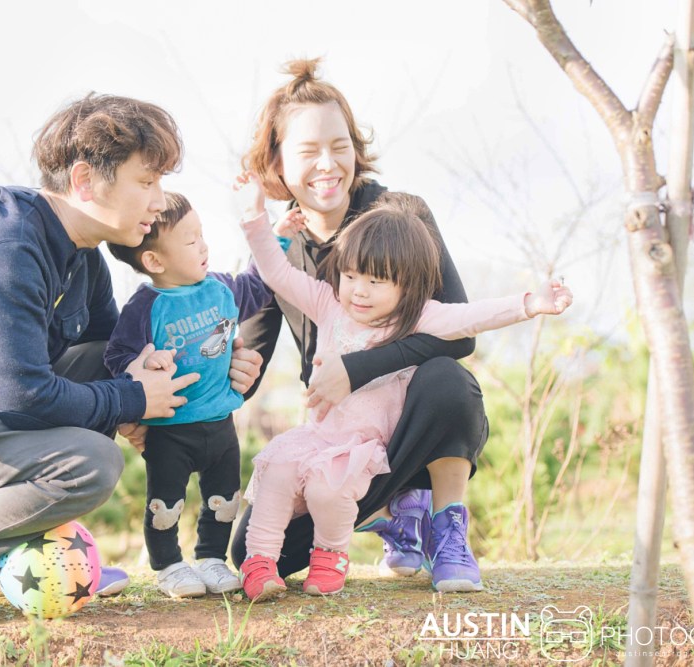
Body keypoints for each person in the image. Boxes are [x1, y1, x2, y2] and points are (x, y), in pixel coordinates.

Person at [0, 94, 263, 628]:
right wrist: (131, 399)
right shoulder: (5, 247)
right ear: (84, 180)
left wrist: (218, 364)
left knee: (109, 369)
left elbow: (112, 359)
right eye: (146, 181)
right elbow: (25, 398)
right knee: (90, 466)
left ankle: (16, 550)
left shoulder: (80, 252)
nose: (159, 200)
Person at [231, 57, 507, 593]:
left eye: (340, 146)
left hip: (410, 427)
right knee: (249, 551)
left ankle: (441, 524)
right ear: (277, 161)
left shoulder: (400, 215)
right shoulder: (281, 245)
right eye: (308, 152)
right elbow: (249, 359)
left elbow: (462, 335)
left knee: (449, 382)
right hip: (336, 447)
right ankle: (390, 509)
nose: (328, 165)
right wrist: (162, 407)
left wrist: (356, 369)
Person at [234, 178, 572, 599]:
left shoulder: (416, 319)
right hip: (318, 438)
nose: (359, 290)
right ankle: (260, 564)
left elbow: (471, 317)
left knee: (328, 490)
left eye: (377, 281)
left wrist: (530, 304)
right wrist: (254, 218)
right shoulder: (327, 304)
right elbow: (275, 272)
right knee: (277, 475)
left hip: (366, 452)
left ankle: (334, 555)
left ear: (406, 287)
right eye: (351, 274)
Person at [103, 192, 272, 599]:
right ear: (155, 262)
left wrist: (276, 237)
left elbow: (259, 285)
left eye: (202, 235)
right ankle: (168, 565)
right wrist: (141, 363)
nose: (204, 246)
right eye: (191, 239)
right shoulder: (146, 306)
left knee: (224, 498)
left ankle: (212, 558)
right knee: (166, 502)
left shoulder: (220, 289)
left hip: (221, 423)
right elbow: (116, 355)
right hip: (170, 429)